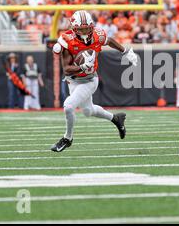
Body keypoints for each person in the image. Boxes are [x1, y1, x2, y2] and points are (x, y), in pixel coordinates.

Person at [51, 10, 138, 152]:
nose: (85, 32)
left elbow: (109, 41)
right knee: (88, 111)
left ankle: (67, 138)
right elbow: (66, 69)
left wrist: (125, 51)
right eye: (81, 29)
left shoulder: (98, 35)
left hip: (89, 80)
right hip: (73, 80)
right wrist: (81, 67)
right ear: (74, 29)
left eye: (87, 28)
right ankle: (116, 119)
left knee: (68, 106)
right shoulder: (67, 40)